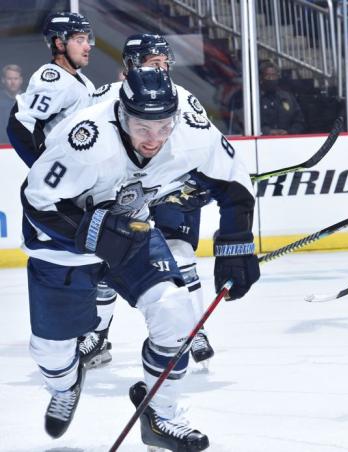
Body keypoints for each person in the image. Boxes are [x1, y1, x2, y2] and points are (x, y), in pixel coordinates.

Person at [21, 67, 259, 449]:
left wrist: (236, 244)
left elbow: (235, 186)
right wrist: (94, 232)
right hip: (61, 246)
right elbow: (37, 201)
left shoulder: (192, 130)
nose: (154, 140)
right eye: (143, 128)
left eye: (164, 127)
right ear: (121, 114)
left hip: (132, 232)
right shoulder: (85, 139)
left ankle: (161, 415)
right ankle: (63, 384)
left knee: (175, 311)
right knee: (52, 350)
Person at [89, 33, 216, 368]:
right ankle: (96, 337)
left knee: (181, 254)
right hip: (125, 195)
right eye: (153, 62)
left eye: (165, 63)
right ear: (131, 65)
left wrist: (202, 182)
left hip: (172, 191)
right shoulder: (104, 98)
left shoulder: (184, 98)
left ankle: (193, 330)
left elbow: (207, 148)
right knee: (106, 264)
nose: (162, 69)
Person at [6, 12, 95, 167]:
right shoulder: (53, 80)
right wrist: (44, 169)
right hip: (63, 179)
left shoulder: (84, 82)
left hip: (81, 172)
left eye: (88, 39)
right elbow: (20, 124)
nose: (88, 46)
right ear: (60, 44)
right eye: (80, 40)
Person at [259, 60, 305, 135]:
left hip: (287, 141)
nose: (271, 78)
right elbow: (251, 125)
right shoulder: (256, 100)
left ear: (278, 77)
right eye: (267, 76)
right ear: (261, 78)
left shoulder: (288, 98)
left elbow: (299, 122)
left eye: (273, 75)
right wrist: (268, 132)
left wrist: (289, 132)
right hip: (263, 142)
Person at [0, 64, 23, 143]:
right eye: (9, 79)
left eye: (16, 78)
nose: (13, 82)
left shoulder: (28, 99)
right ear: (3, 80)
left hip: (25, 146)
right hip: (3, 146)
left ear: (21, 80)